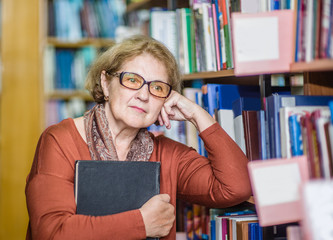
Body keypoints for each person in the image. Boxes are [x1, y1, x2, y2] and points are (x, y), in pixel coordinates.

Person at [25, 35, 252, 240]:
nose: (144, 95)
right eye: (132, 80)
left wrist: (197, 114)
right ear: (106, 83)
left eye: (157, 88)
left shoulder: (168, 153)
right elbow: (52, 232)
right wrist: (142, 223)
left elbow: (237, 187)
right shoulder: (60, 140)